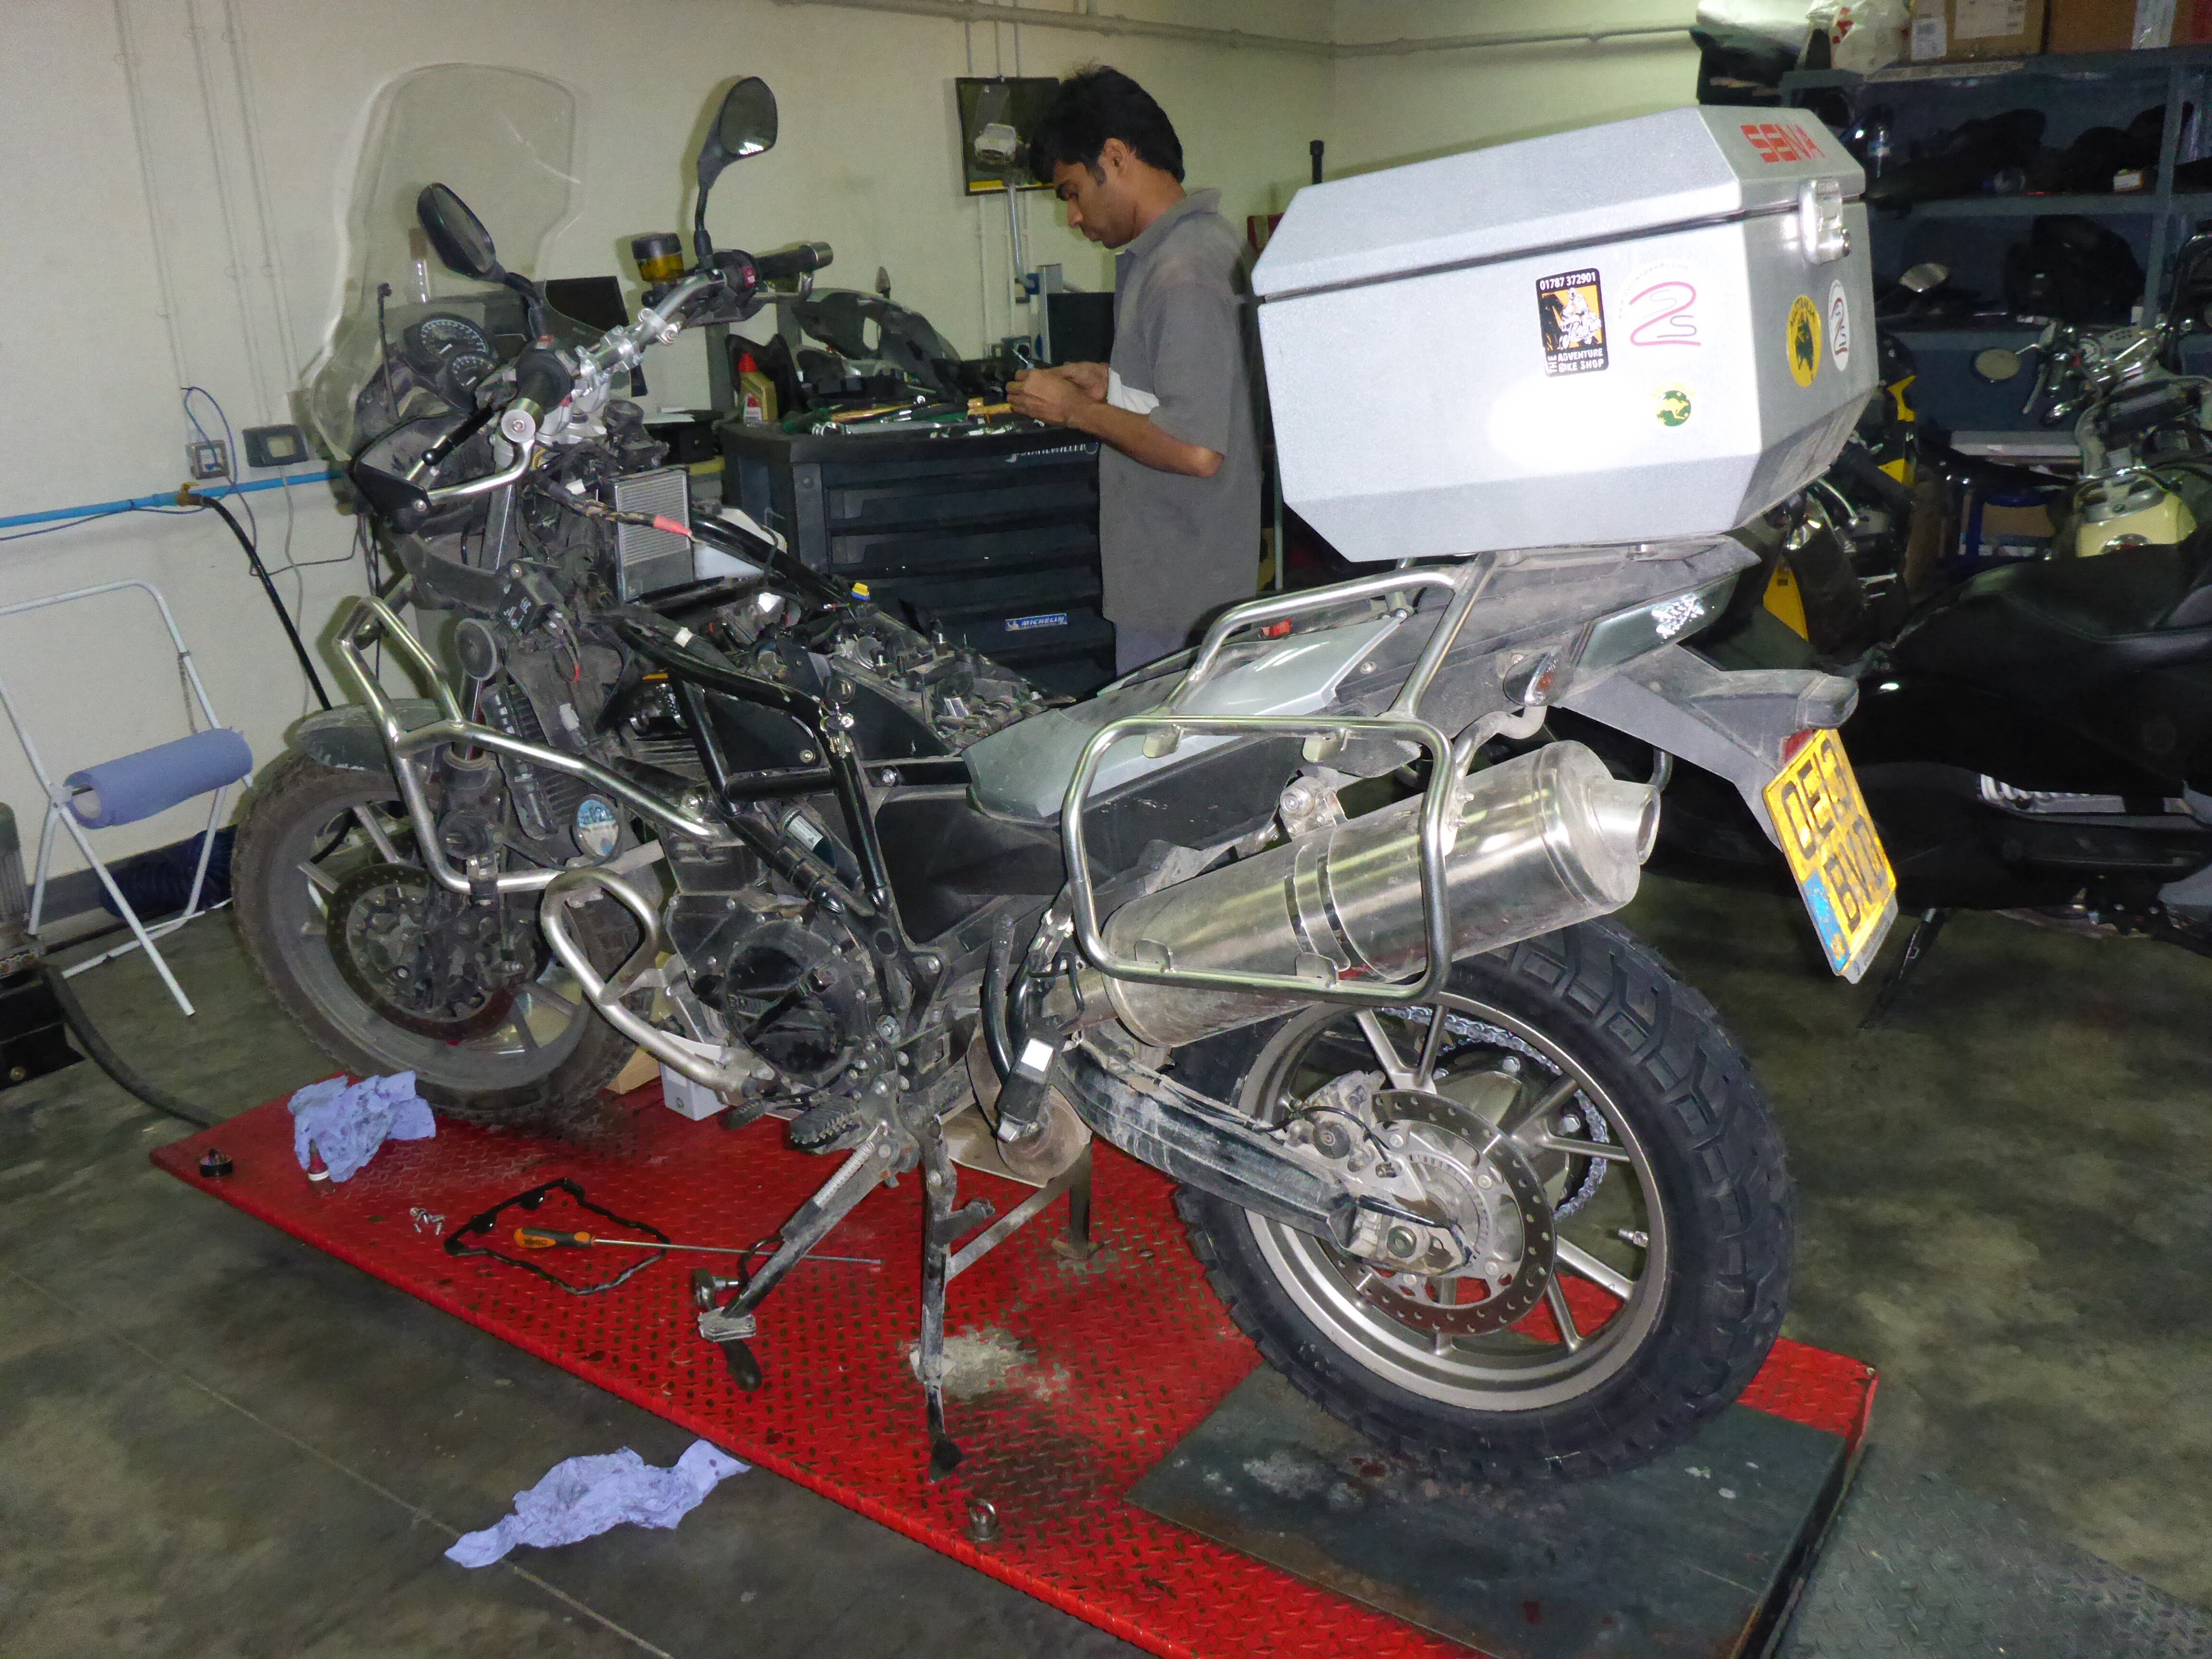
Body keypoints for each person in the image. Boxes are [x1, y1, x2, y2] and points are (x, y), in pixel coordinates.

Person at [1008, 67, 1261, 675]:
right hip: (1186, 581)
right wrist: (1113, 384)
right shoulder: (1194, 250)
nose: (1073, 217)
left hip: (1181, 597)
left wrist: (1077, 411)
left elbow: (1197, 450)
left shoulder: (1183, 272)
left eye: (1072, 192)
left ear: (1116, 157)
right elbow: (1203, 396)